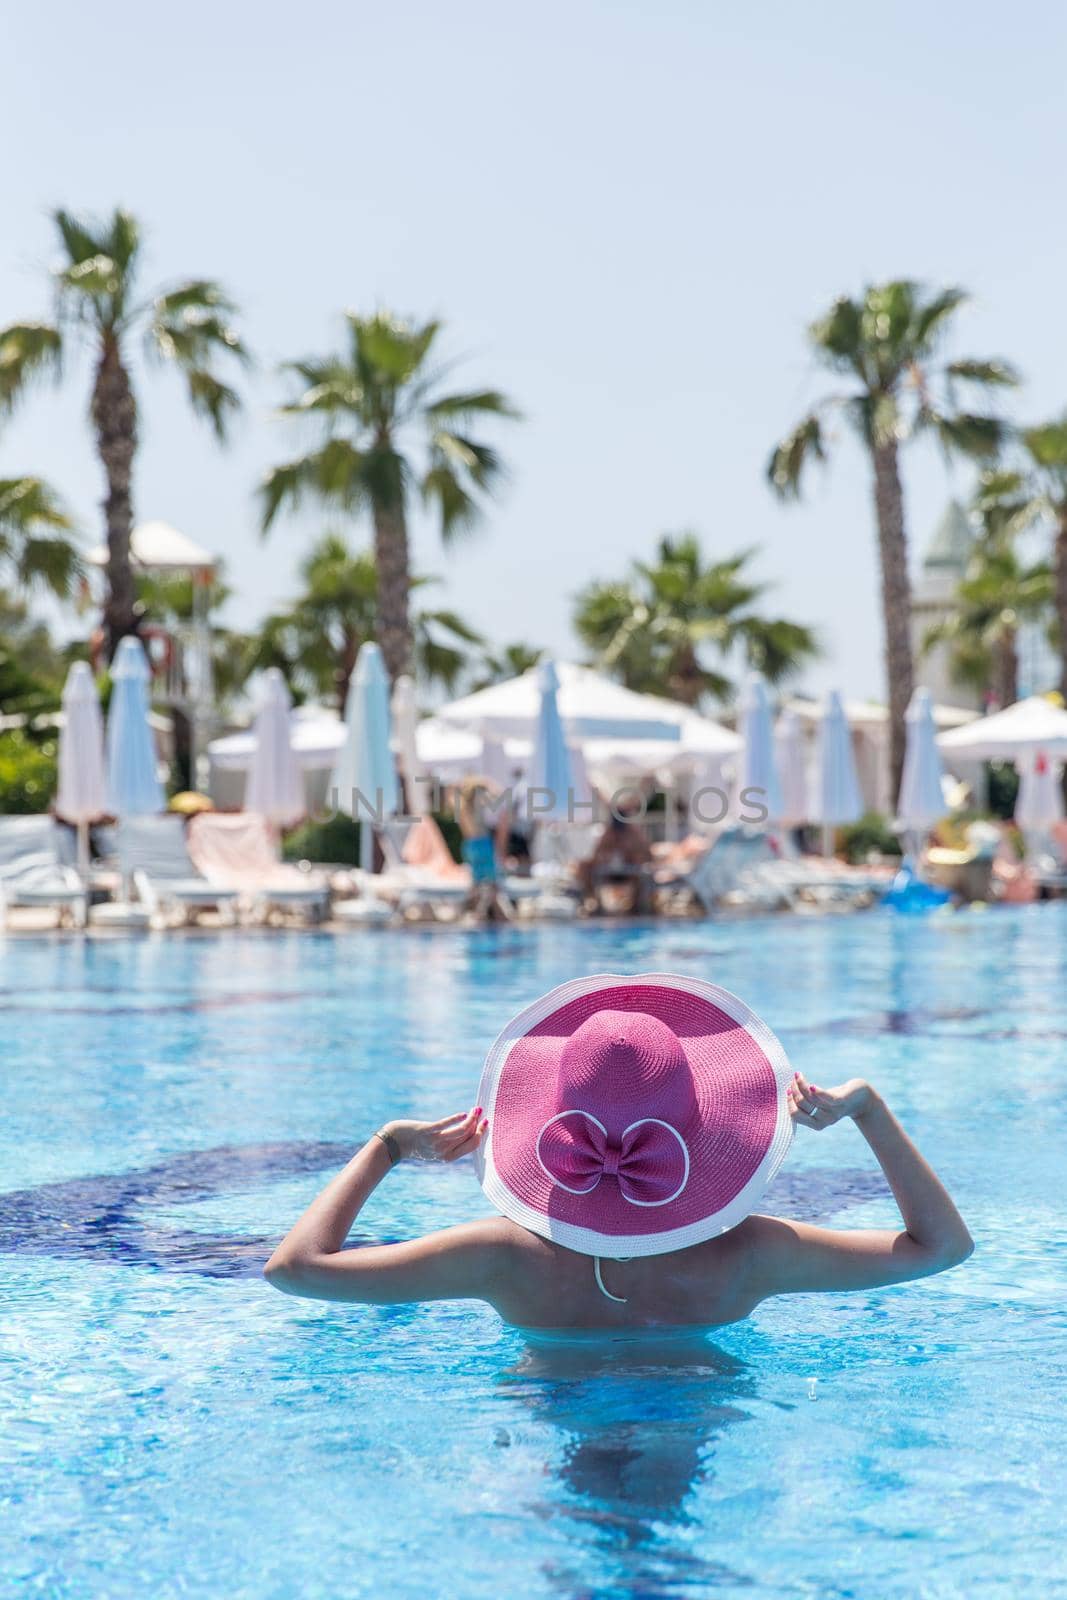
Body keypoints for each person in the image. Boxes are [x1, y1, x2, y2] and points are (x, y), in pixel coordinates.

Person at [264, 974, 972, 1330]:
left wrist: (385, 1147)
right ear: (708, 1127)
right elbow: (939, 1249)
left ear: (548, 1114)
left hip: (548, 1426)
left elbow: (296, 1270)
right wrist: (868, 1114)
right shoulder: (749, 1256)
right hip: (697, 1414)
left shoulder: (500, 1258)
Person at [576, 801, 654, 915]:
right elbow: (597, 854)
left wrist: (631, 854)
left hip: (630, 873)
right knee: (583, 867)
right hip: (609, 873)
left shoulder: (634, 834)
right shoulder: (608, 834)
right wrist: (605, 856)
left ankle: (637, 905)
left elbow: (647, 855)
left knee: (643, 871)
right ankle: (591, 900)